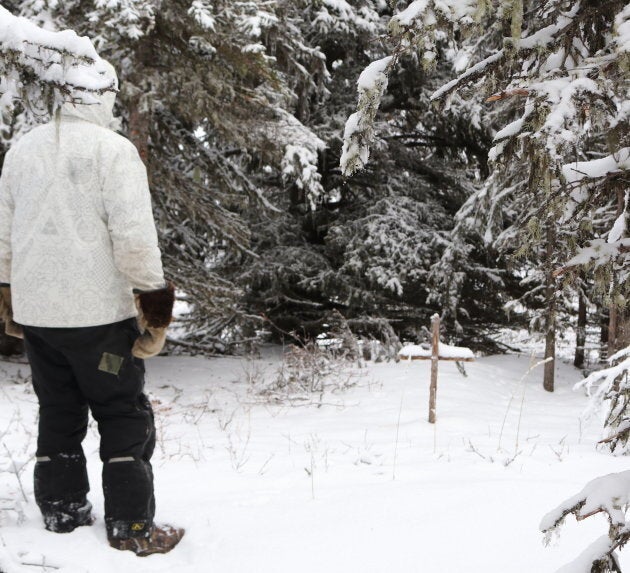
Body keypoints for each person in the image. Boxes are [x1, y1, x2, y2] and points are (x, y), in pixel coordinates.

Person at [0, 61, 184, 556]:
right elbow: (134, 240)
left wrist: (9, 297)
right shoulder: (113, 151)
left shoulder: (23, 150)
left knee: (57, 411)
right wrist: (155, 312)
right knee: (121, 412)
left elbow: (4, 234)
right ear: (102, 96)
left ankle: (63, 514)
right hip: (99, 319)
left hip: (40, 315)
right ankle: (131, 528)